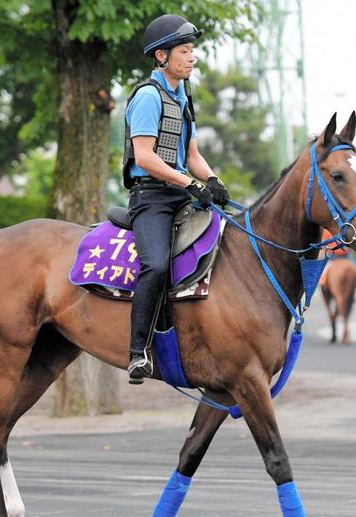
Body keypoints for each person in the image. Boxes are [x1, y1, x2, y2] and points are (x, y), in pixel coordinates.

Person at [122, 14, 229, 384]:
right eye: (185, 51)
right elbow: (145, 157)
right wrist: (188, 183)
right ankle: (138, 351)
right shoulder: (149, 97)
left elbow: (193, 155)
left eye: (192, 50)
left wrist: (213, 181)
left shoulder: (184, 98)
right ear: (161, 57)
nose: (192, 57)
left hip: (181, 194)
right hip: (151, 198)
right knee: (156, 265)